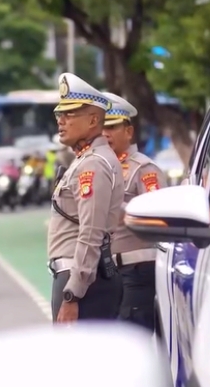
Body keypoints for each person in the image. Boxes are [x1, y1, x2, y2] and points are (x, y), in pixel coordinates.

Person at [48, 73, 125, 323]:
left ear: (93, 120)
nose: (61, 121)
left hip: (82, 285)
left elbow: (91, 232)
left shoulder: (93, 165)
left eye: (70, 114)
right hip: (78, 279)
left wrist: (72, 294)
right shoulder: (85, 160)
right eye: (60, 114)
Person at [101, 92, 167, 331]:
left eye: (111, 127)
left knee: (131, 338)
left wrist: (121, 210)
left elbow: (159, 216)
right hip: (108, 273)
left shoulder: (144, 169)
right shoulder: (100, 168)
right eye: (101, 128)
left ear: (128, 131)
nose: (105, 134)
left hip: (137, 271)